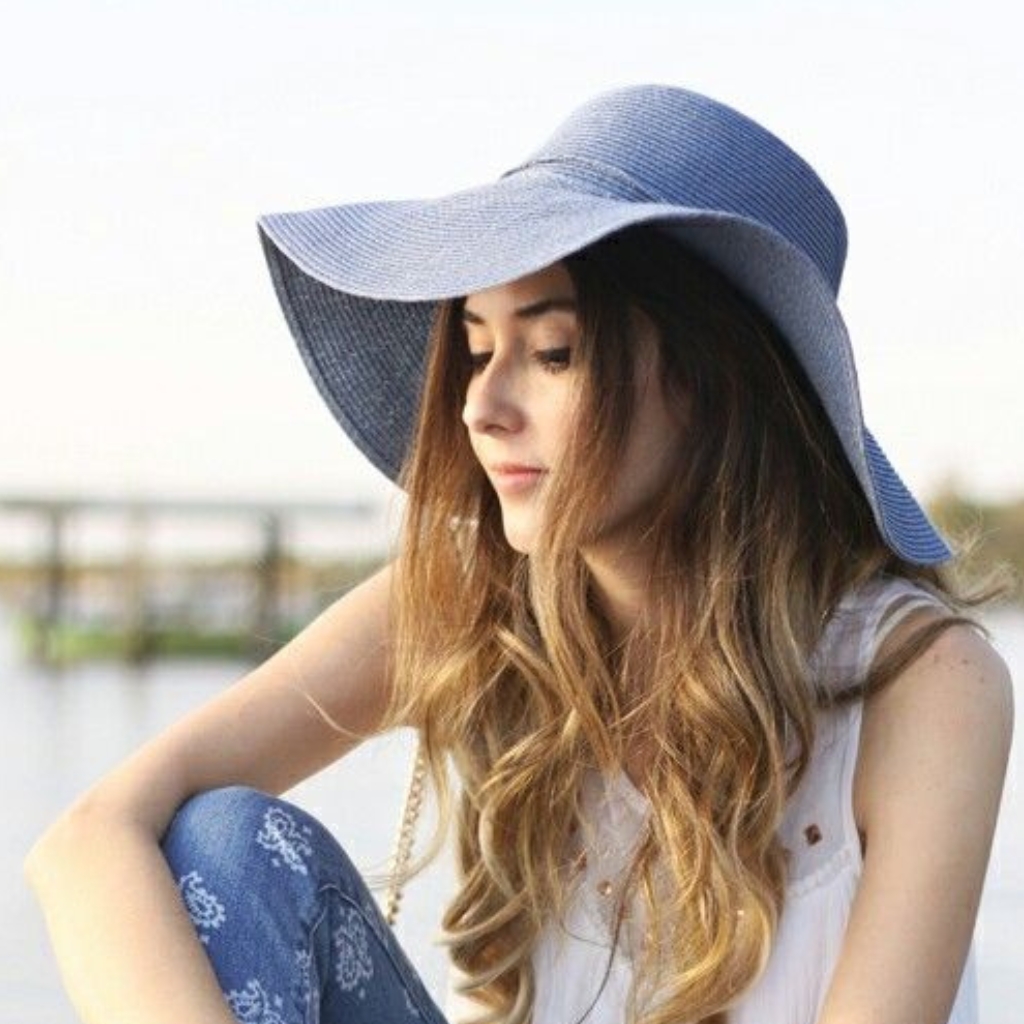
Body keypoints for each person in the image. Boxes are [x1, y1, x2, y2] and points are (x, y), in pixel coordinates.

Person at [24, 84, 1014, 1024]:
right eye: (476, 345)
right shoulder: (469, 602)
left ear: (716, 382)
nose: (480, 407)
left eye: (551, 354)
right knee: (223, 845)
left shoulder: (921, 681)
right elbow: (88, 842)